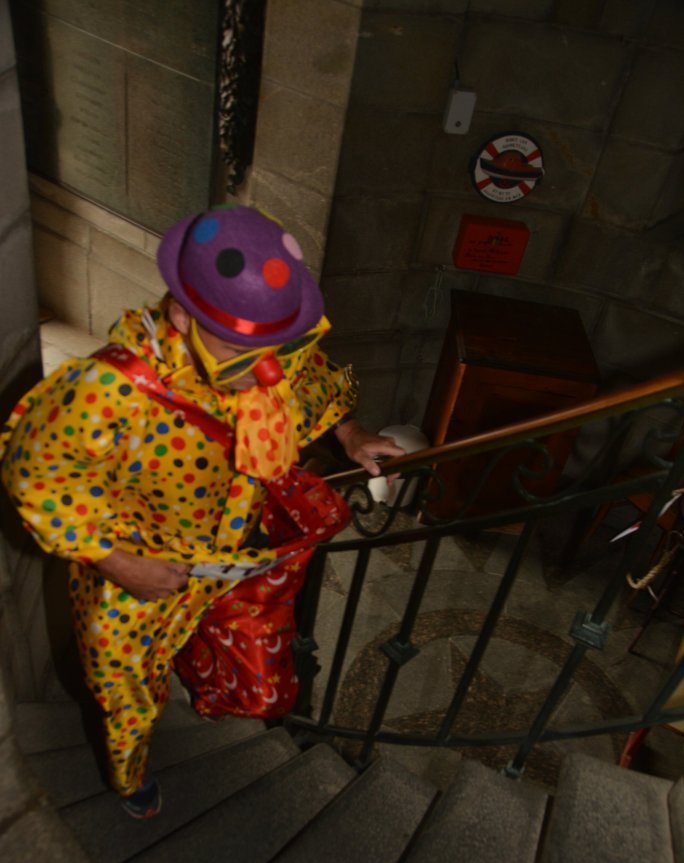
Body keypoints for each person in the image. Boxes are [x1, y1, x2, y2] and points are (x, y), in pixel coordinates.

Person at [0, 204, 403, 818]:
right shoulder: (108, 390)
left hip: (227, 559)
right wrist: (116, 563)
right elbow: (34, 475)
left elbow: (306, 381)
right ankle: (130, 777)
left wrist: (349, 434)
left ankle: (206, 686)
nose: (268, 371)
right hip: (135, 575)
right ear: (183, 316)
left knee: (234, 655)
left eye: (279, 346)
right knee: (126, 688)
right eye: (242, 351)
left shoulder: (266, 350)